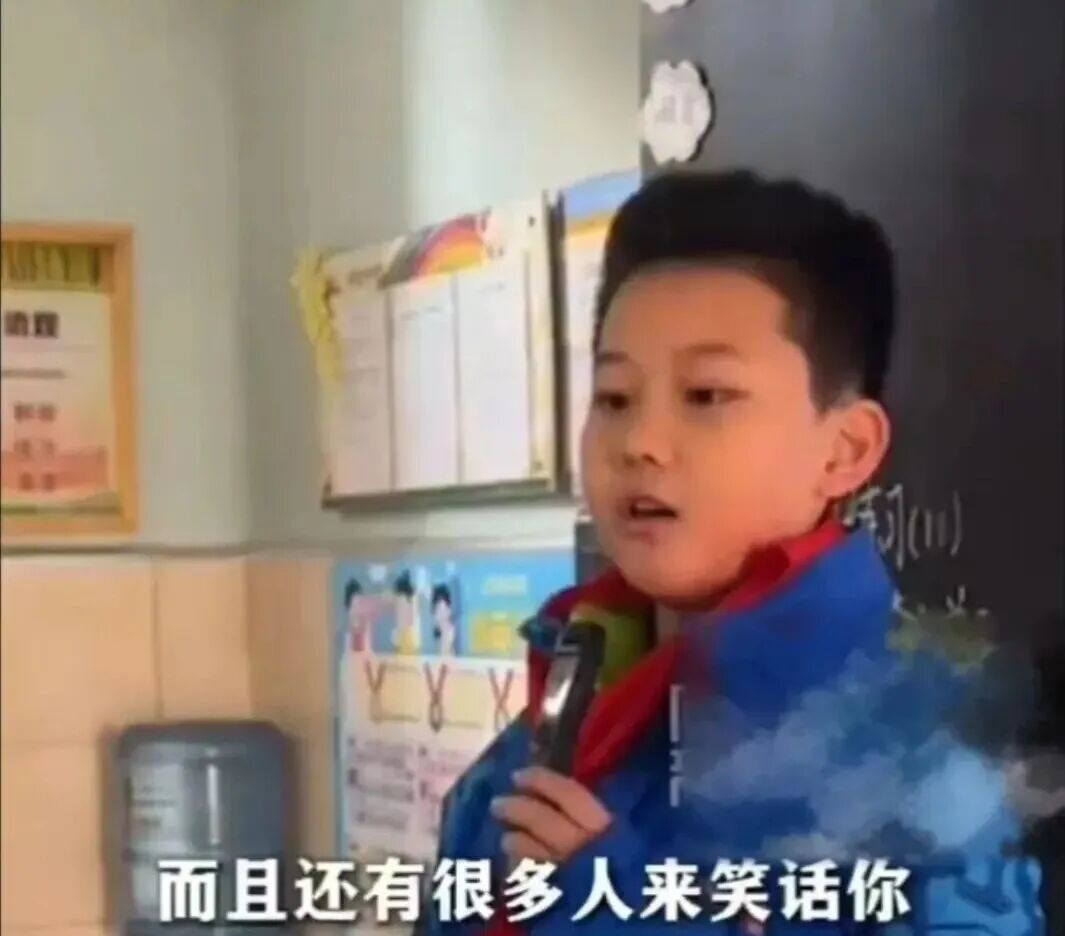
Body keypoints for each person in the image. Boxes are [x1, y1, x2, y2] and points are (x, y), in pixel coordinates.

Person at [426, 171, 1045, 934]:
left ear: (845, 450)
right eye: (614, 398)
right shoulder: (555, 717)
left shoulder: (925, 777)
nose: (640, 443)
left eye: (707, 396)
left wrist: (628, 915)